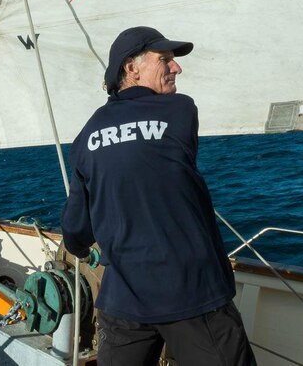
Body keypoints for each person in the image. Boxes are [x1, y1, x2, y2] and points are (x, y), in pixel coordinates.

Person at [61, 26, 257, 365]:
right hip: (192, 293)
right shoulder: (180, 111)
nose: (177, 68)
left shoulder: (86, 135)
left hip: (124, 299)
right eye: (164, 60)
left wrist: (78, 247)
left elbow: (77, 228)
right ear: (131, 68)